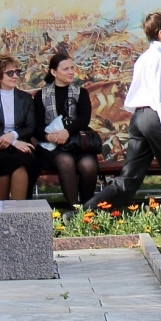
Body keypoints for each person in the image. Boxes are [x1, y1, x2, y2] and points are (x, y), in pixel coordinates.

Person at [86, 12, 161, 211]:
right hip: (153, 117)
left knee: (129, 178)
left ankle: (86, 213)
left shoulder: (144, 57)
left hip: (139, 118)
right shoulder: (159, 58)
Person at [38, 53, 101, 207]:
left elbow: (84, 119)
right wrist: (48, 137)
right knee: (66, 161)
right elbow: (36, 126)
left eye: (72, 68)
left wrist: (67, 131)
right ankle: (75, 209)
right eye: (66, 69)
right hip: (53, 147)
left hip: (76, 143)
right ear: (54, 72)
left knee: (89, 165)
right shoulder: (41, 95)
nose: (71, 72)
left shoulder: (81, 92)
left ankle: (87, 208)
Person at [0, 55, 41, 200]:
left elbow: (30, 127)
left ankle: (20, 215)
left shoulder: (25, 98)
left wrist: (14, 135)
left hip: (21, 144)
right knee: (1, 168)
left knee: (21, 170)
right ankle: (0, 215)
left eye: (17, 72)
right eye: (10, 73)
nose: (15, 76)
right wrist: (10, 141)